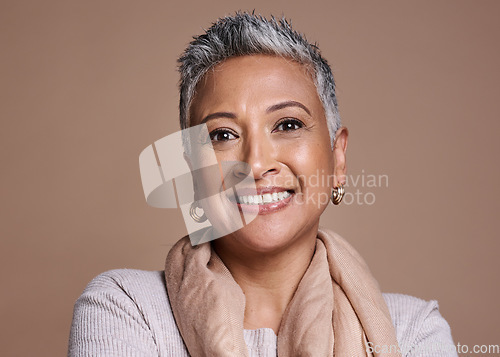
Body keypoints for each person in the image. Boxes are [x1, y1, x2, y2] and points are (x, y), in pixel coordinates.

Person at [68, 13, 457, 356]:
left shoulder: (413, 331)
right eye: (222, 135)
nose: (255, 163)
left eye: (288, 125)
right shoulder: (125, 307)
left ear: (338, 159)